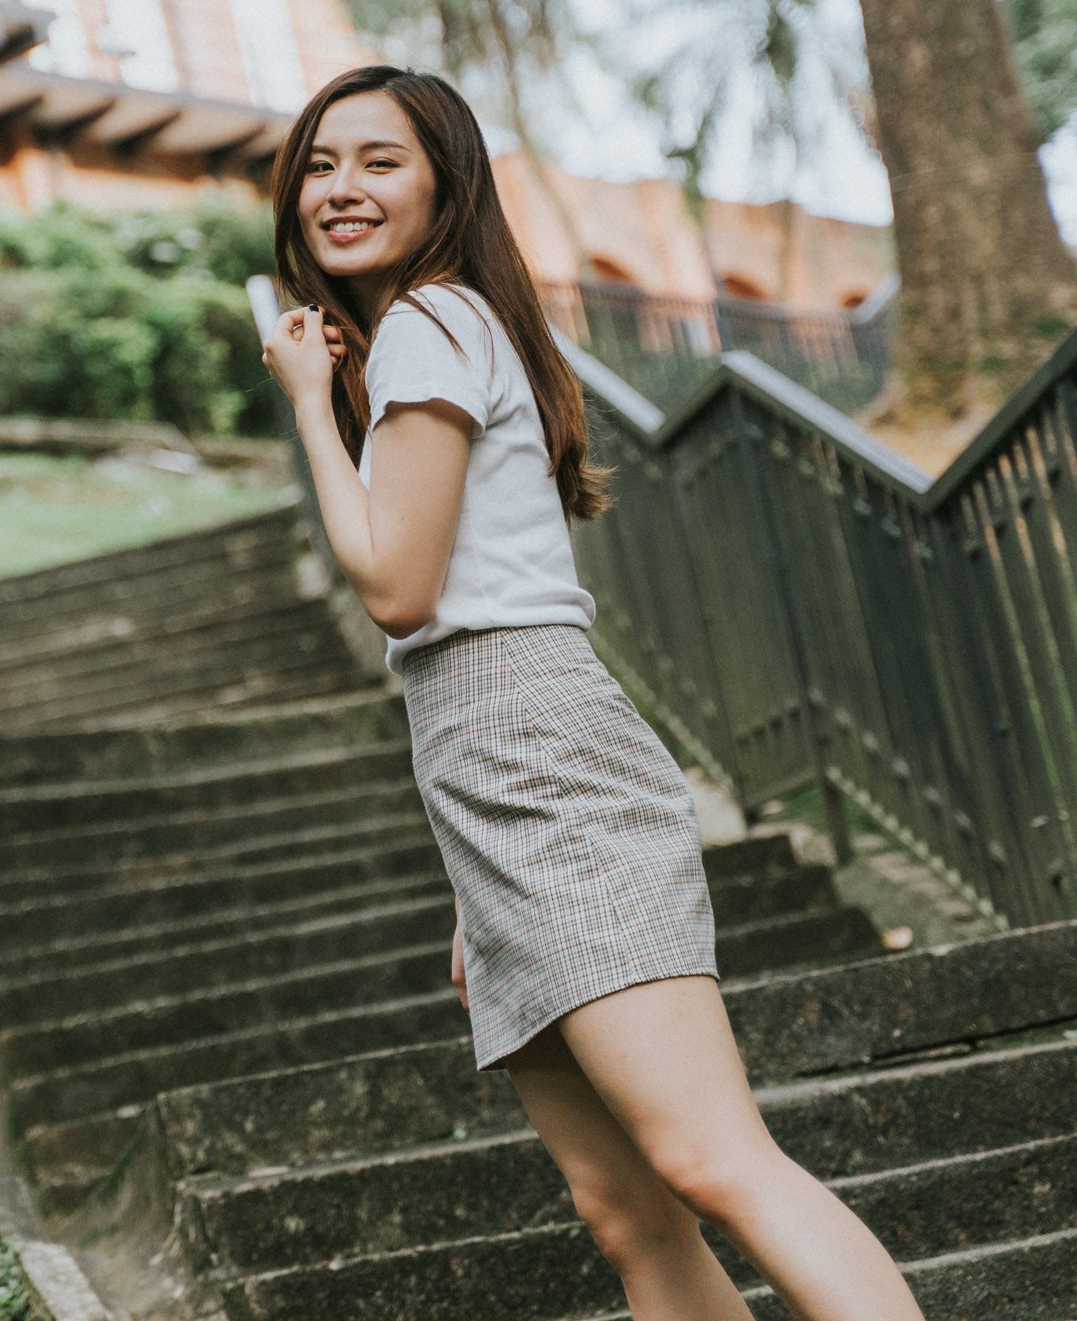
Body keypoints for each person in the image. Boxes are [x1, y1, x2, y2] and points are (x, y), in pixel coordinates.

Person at [258, 66, 925, 1321]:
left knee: (710, 1157)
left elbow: (399, 589)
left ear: (446, 186)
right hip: (487, 778)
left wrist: (306, 406)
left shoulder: (428, 322)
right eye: (319, 164)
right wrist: (478, 886)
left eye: (379, 161)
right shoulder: (433, 333)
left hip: (537, 748)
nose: (339, 188)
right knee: (627, 1211)